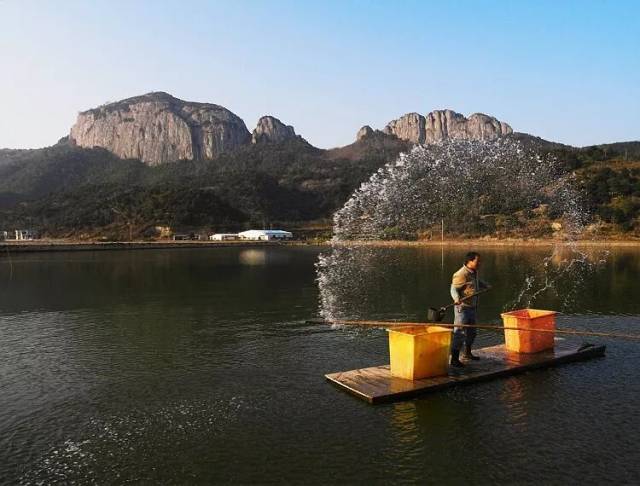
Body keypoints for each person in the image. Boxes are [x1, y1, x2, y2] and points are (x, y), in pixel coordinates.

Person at [450, 251, 490, 368]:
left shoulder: (474, 272)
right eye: (477, 261)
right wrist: (456, 298)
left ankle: (467, 353)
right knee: (459, 333)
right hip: (462, 309)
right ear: (470, 261)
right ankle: (454, 359)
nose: (480, 263)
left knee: (472, 333)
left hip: (472, 308)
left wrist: (485, 285)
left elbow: (476, 283)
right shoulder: (461, 274)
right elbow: (453, 289)